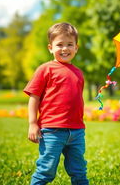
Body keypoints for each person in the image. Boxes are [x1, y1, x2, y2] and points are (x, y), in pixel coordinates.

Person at [24, 22, 89, 185]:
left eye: (69, 44)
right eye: (59, 44)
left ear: (76, 48)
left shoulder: (79, 73)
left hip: (76, 131)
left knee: (79, 171)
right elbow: (34, 97)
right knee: (46, 170)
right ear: (50, 48)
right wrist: (33, 123)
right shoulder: (45, 69)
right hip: (52, 130)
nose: (65, 49)